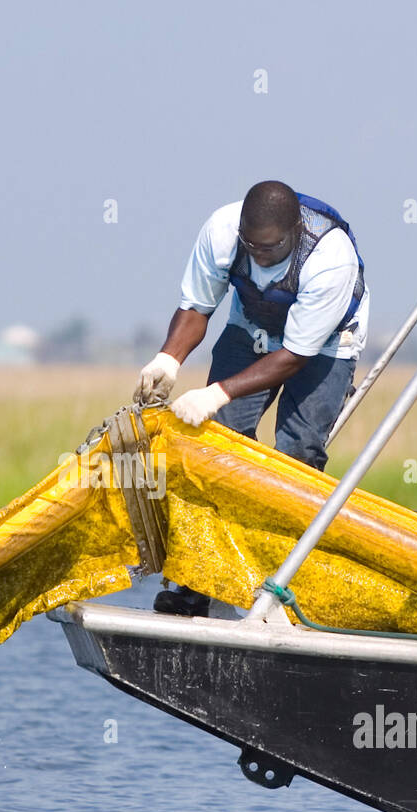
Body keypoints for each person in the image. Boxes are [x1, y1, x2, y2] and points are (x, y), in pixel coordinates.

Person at [132, 180, 369, 616]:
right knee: (218, 446)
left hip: (326, 344)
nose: (259, 255)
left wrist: (215, 393)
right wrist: (168, 359)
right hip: (251, 327)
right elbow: (197, 306)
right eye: (251, 246)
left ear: (294, 232)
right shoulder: (222, 231)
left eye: (271, 248)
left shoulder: (331, 258)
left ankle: (285, 591)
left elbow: (295, 356)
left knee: (298, 455)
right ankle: (196, 583)